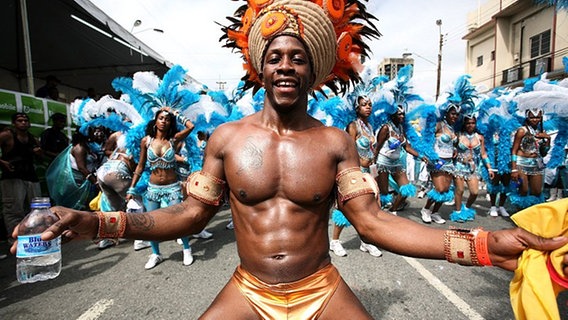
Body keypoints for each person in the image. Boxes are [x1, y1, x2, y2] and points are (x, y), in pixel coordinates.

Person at [12, 1, 568, 318]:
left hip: (322, 289)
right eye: (274, 57)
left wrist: (482, 243)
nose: (284, 66)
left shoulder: (335, 144)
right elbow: (185, 218)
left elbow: (373, 224)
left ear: (314, 71)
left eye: (297, 58)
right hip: (248, 291)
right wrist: (91, 222)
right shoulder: (225, 141)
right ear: (259, 67)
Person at [125, 107, 195, 269]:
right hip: (153, 188)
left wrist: (175, 113)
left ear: (171, 123)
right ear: (155, 121)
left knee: (179, 219)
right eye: (161, 118)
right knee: (151, 223)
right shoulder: (146, 141)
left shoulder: (174, 140)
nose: (164, 121)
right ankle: (156, 254)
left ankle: (186, 249)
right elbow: (140, 166)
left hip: (172, 187)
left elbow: (191, 127)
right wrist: (131, 188)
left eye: (167, 119)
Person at [329, 95, 383, 258]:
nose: (368, 107)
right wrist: (354, 172)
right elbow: (348, 149)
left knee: (371, 206)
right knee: (346, 206)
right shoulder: (353, 126)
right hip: (355, 170)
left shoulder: (369, 126)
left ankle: (366, 242)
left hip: (370, 171)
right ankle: (335, 241)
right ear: (356, 108)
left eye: (370, 104)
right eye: (364, 105)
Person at [374, 104, 422, 215]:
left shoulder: (401, 128)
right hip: (383, 163)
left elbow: (407, 147)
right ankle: (380, 217)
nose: (402, 116)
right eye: (399, 113)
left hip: (397, 163)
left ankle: (392, 211)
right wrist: (373, 164)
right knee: (384, 194)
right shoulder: (386, 128)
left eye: (403, 114)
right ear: (393, 115)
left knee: (406, 189)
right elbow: (377, 147)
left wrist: (420, 156)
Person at [0, 113, 42, 238]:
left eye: (25, 120)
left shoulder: (32, 138)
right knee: (14, 211)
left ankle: (35, 237)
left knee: (37, 211)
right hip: (12, 177)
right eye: (20, 120)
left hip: (31, 177)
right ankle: (15, 240)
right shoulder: (7, 135)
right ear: (14, 123)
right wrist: (2, 162)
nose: (23, 123)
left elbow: (40, 158)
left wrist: (39, 153)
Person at [420, 105, 460, 224]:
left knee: (446, 191)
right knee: (439, 188)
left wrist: (455, 149)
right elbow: (427, 139)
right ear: (446, 113)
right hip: (437, 161)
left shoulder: (452, 128)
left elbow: (453, 144)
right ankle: (426, 209)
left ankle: (435, 212)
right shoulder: (438, 125)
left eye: (457, 114)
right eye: (453, 113)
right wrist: (427, 154)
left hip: (449, 162)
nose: (455, 116)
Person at [450, 115, 494, 222]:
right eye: (468, 123)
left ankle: (467, 207)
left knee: (474, 192)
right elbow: (451, 149)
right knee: (459, 190)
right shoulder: (458, 136)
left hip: (473, 168)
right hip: (459, 166)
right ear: (464, 124)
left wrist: (489, 168)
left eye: (473, 123)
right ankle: (458, 211)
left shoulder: (479, 137)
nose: (470, 125)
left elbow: (483, 154)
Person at [511, 108, 551, 208]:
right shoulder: (522, 131)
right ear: (527, 117)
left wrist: (547, 139)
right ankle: (520, 214)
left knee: (537, 191)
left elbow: (544, 152)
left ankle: (532, 215)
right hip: (521, 163)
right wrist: (514, 169)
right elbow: (514, 150)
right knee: (523, 190)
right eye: (532, 117)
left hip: (536, 163)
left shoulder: (541, 131)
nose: (535, 119)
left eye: (537, 117)